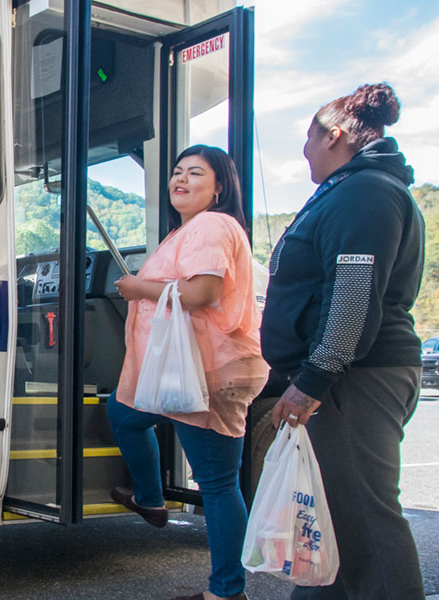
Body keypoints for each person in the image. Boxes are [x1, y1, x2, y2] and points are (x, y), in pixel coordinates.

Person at [262, 82, 425, 599]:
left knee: (365, 526)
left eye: (308, 142)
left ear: (334, 136)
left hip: (357, 381)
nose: (305, 155)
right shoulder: (352, 189)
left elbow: (353, 297)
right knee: (330, 523)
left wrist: (311, 383)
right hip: (344, 380)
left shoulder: (366, 192)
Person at [108, 145, 269, 600]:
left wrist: (139, 288)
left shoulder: (213, 225)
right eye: (177, 171)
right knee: (122, 413)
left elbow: (200, 292)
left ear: (219, 187)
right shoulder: (190, 229)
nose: (180, 179)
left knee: (218, 484)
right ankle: (152, 500)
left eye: (195, 173)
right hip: (180, 372)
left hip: (207, 371)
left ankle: (226, 591)